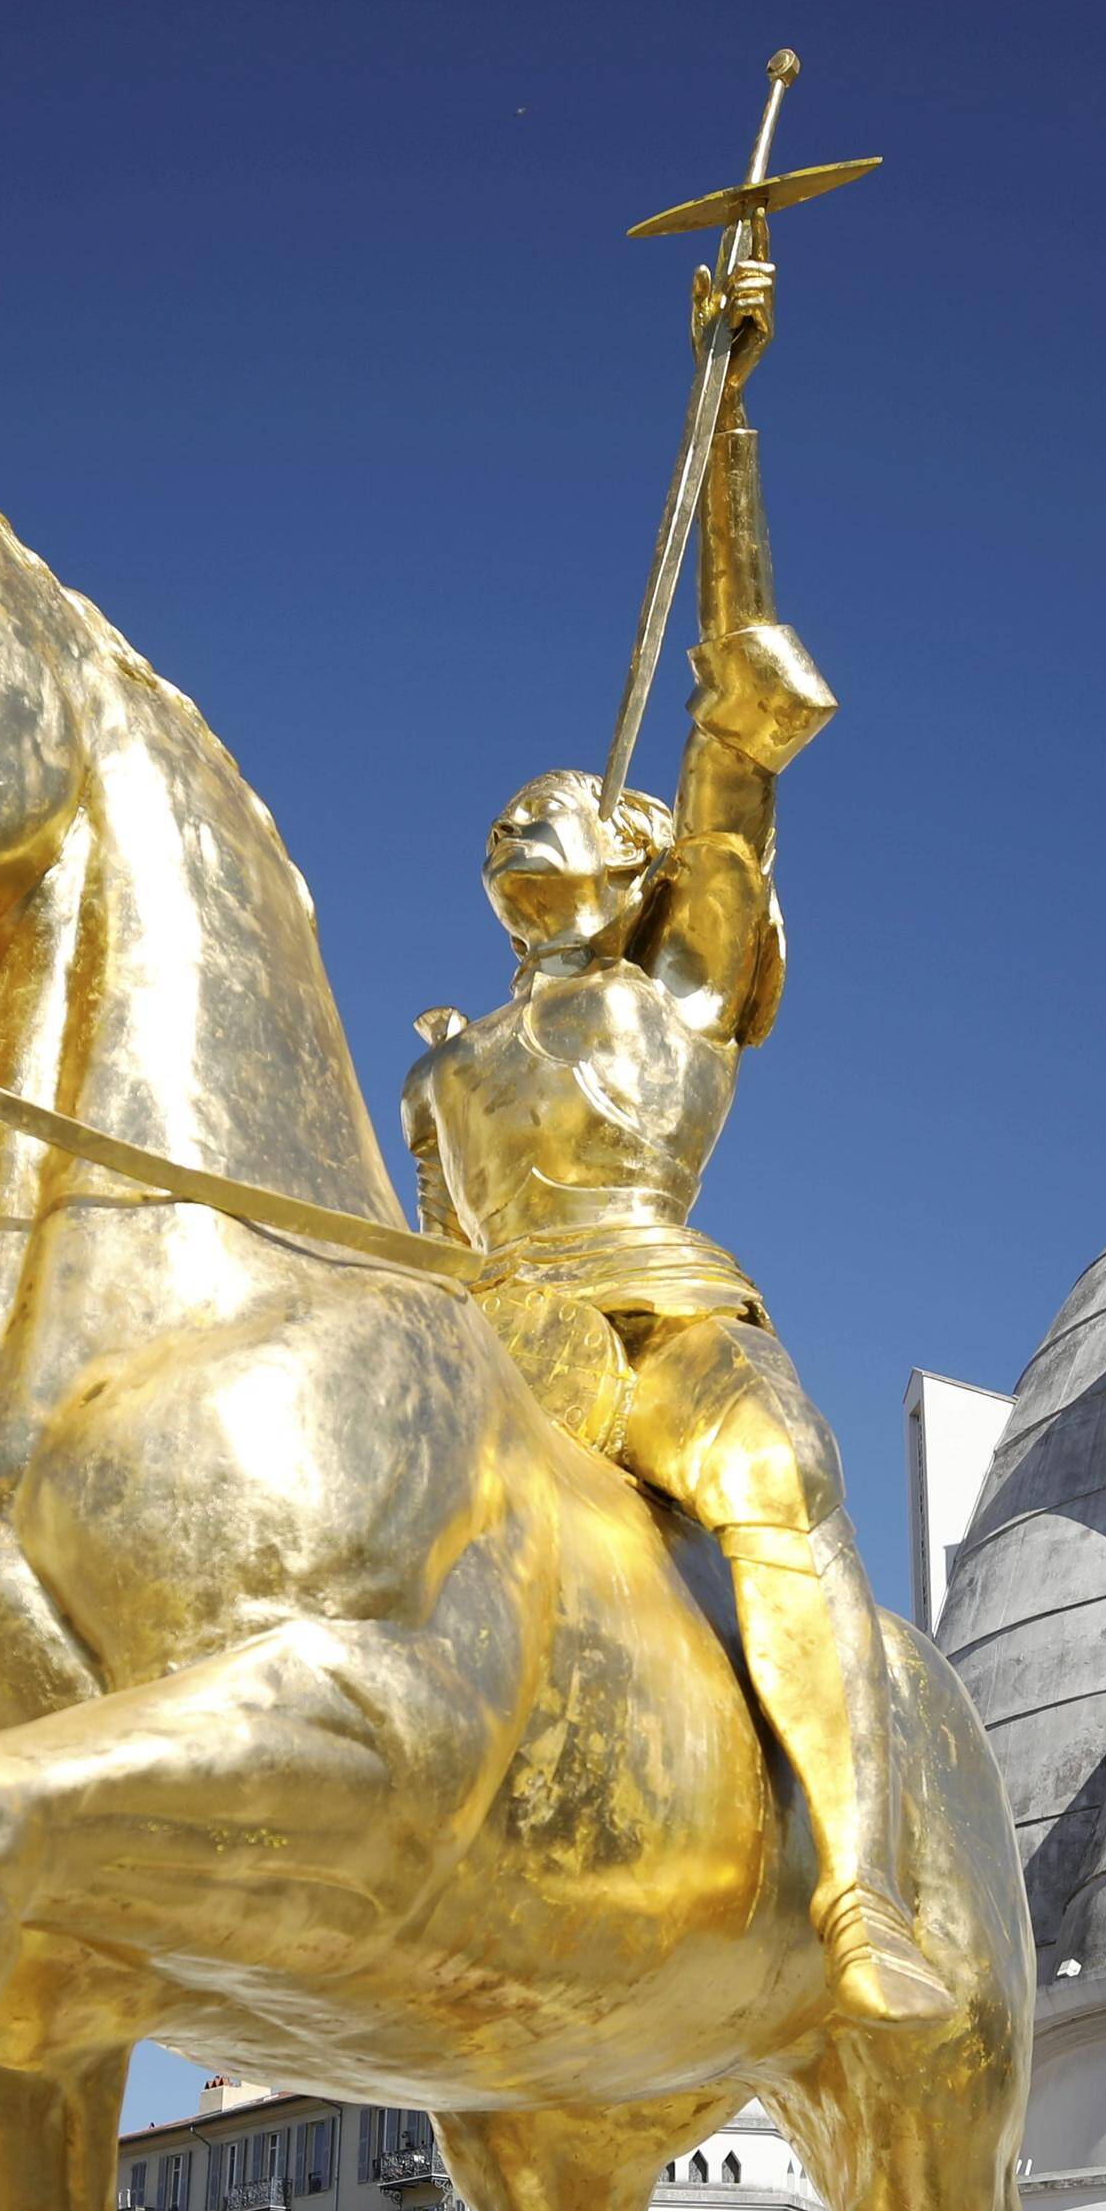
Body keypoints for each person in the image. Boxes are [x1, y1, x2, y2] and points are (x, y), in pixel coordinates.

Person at [403, 245, 937, 2029]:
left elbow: (732, 722)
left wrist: (733, 422)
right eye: (508, 820)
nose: (523, 821)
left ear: (634, 860)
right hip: (495, 1348)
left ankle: (861, 1884)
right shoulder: (444, 1064)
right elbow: (428, 1246)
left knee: (777, 1479)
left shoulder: (682, 987)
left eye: (561, 810)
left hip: (659, 1326)